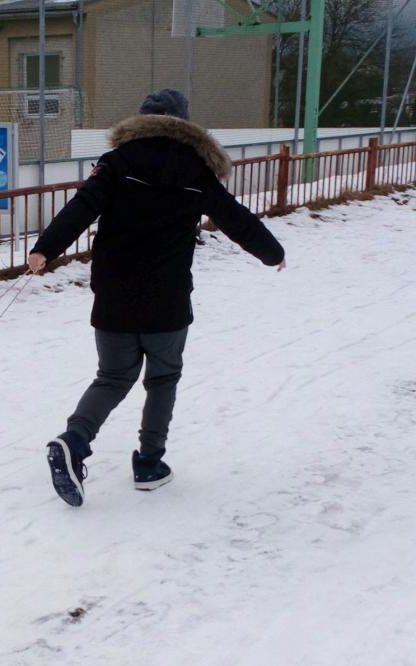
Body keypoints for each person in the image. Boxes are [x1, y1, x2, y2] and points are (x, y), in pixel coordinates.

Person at [28, 89, 286, 506]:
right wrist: (272, 253)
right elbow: (234, 217)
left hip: (114, 294)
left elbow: (81, 207)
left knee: (112, 377)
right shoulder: (197, 169)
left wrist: (45, 249)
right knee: (162, 379)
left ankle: (74, 441)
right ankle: (149, 464)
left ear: (141, 120)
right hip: (167, 300)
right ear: (184, 123)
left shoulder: (116, 163)